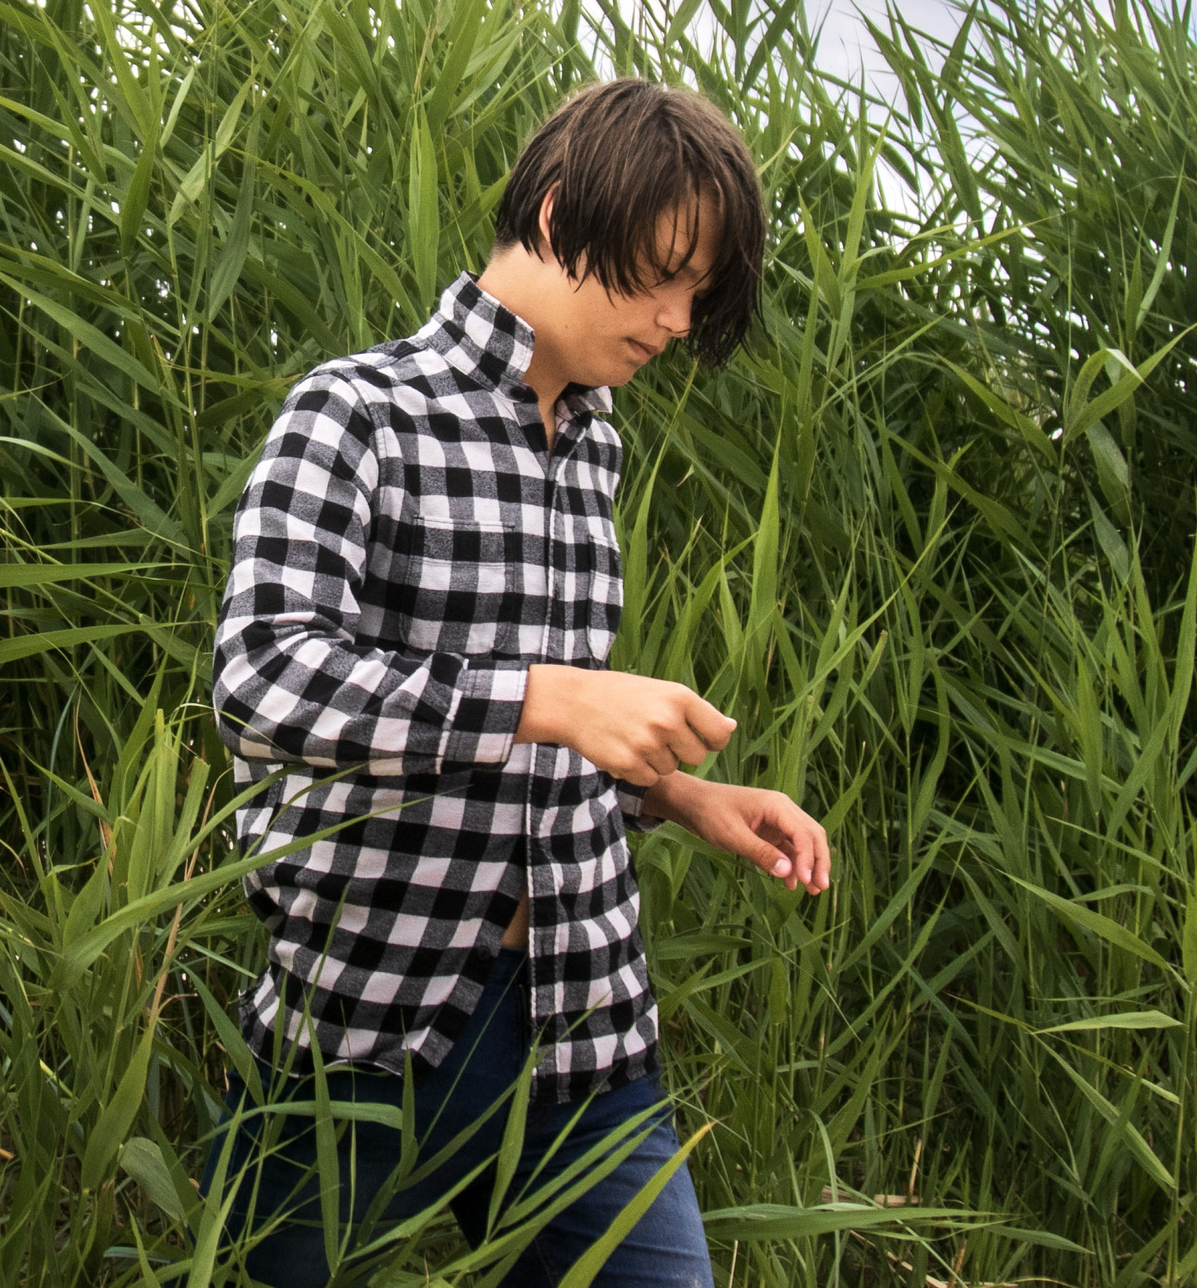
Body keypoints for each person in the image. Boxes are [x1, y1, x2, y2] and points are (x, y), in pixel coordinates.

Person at [208, 78, 834, 1287]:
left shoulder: (592, 444)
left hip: (582, 1012)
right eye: (659, 274)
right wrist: (547, 696)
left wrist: (672, 795)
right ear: (554, 218)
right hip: (365, 1020)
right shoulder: (356, 413)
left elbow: (533, 743)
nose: (672, 318)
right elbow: (265, 677)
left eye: (696, 292)